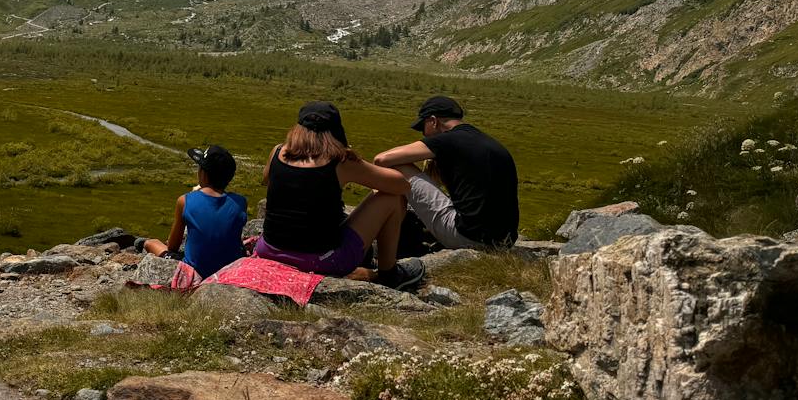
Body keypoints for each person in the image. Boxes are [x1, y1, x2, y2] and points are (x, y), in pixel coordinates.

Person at [253, 101, 425, 291]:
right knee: (390, 198)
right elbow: (401, 185)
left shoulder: (278, 151)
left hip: (268, 250)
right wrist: (355, 159)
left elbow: (267, 179)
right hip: (320, 260)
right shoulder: (340, 161)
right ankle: (390, 274)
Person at [373, 95, 519, 250]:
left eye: (423, 127)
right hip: (505, 241)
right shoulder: (488, 142)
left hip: (469, 237)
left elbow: (381, 159)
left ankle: (383, 234)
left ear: (433, 121)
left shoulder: (446, 140)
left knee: (399, 167)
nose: (423, 134)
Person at [141, 145, 248, 278]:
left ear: (203, 174)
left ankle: (140, 243)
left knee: (151, 243)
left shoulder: (185, 201)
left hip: (196, 270)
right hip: (229, 269)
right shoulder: (240, 202)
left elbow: (173, 246)